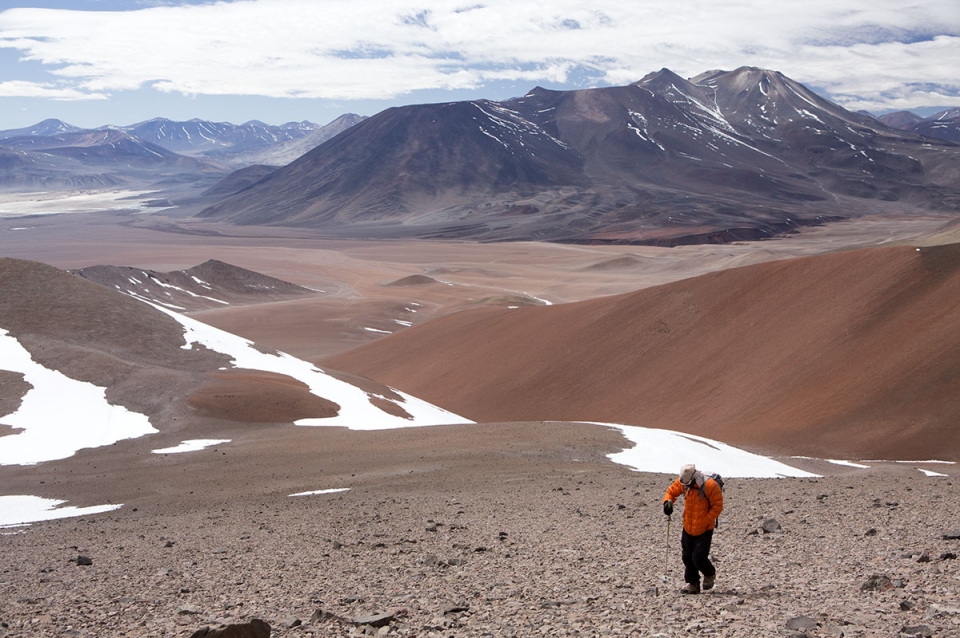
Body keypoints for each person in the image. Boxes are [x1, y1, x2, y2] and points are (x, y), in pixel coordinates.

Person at [662, 464, 723, 594]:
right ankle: (693, 584)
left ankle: (710, 573)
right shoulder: (683, 482)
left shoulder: (710, 486)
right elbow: (671, 492)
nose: (685, 486)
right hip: (688, 526)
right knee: (687, 557)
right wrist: (667, 502)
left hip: (705, 529)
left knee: (699, 557)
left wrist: (707, 520)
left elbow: (718, 505)